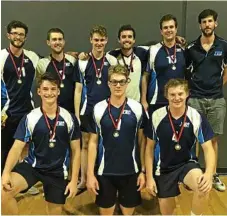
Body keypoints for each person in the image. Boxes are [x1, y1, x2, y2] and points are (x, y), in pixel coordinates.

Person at [1, 73, 81, 215]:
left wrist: (74, 180)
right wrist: (6, 173)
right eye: (45, 89)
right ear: (39, 91)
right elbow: (16, 148)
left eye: (52, 89)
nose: (49, 93)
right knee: (3, 193)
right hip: (33, 167)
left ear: (58, 91)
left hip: (57, 171)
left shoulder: (69, 118)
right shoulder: (30, 117)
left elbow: (76, 151)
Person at [145, 78, 215, 215]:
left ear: (187, 94)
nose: (177, 98)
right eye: (172, 94)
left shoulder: (196, 116)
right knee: (167, 212)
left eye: (180, 94)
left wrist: (208, 173)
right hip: (164, 168)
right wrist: (149, 177)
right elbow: (148, 149)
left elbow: (208, 148)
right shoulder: (156, 116)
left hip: (186, 164)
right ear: (166, 96)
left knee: (202, 187)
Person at [86, 64, 146, 215]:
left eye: (121, 81)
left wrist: (143, 171)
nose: (118, 85)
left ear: (127, 82)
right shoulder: (98, 109)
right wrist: (89, 174)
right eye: (114, 82)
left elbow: (142, 142)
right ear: (108, 84)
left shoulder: (137, 108)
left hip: (131, 172)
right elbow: (92, 143)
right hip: (105, 172)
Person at [185, 9, 227, 192]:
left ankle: (213, 174)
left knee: (213, 140)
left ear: (215, 23)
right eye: (204, 22)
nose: (207, 25)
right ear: (200, 25)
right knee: (193, 139)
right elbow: (186, 72)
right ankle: (192, 173)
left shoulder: (224, 46)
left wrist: (218, 84)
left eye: (210, 21)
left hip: (217, 99)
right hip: (195, 98)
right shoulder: (192, 48)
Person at [74, 25, 117, 190]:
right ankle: (84, 179)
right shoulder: (83, 62)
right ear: (91, 40)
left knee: (107, 143)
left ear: (106, 41)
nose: (99, 43)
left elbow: (116, 85)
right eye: (96, 40)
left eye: (102, 40)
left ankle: (106, 177)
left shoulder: (112, 61)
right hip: (87, 109)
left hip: (107, 110)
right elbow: (78, 89)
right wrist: (77, 114)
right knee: (85, 144)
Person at [1, 20, 40, 195]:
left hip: (27, 113)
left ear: (25, 37)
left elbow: (50, 61)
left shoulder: (32, 57)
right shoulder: (1, 57)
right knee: (5, 149)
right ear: (8, 35)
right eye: (15, 33)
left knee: (25, 149)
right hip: (7, 114)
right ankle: (3, 184)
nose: (18, 37)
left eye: (21, 34)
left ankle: (22, 182)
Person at [141, 14, 186, 116]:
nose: (168, 30)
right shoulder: (153, 50)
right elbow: (145, 76)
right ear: (161, 31)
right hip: (158, 101)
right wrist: (143, 100)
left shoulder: (184, 49)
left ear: (176, 29)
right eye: (165, 28)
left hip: (179, 100)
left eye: (171, 27)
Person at [34, 28, 77, 114]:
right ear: (48, 42)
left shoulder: (73, 61)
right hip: (51, 111)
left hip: (71, 110)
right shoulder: (42, 64)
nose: (57, 42)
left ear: (64, 42)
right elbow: (41, 88)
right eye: (54, 39)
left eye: (60, 39)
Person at [108, 24, 149, 102]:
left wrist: (176, 39)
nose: (127, 39)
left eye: (130, 37)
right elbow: (97, 55)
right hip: (117, 103)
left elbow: (158, 47)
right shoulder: (111, 56)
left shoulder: (142, 53)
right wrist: (80, 55)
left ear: (134, 40)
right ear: (119, 40)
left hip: (136, 102)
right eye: (123, 37)